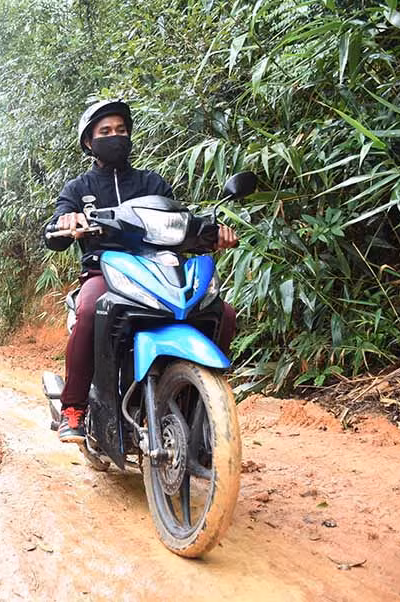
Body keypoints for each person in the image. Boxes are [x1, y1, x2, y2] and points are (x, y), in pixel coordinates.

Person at [44, 99, 239, 443]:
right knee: (89, 309)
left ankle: (199, 408)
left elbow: (180, 224)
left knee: (222, 312)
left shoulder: (152, 183)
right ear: (89, 141)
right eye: (105, 131)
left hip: (158, 271)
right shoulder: (79, 189)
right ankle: (73, 408)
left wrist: (214, 234)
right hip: (105, 272)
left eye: (121, 130)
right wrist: (66, 222)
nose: (115, 136)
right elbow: (57, 225)